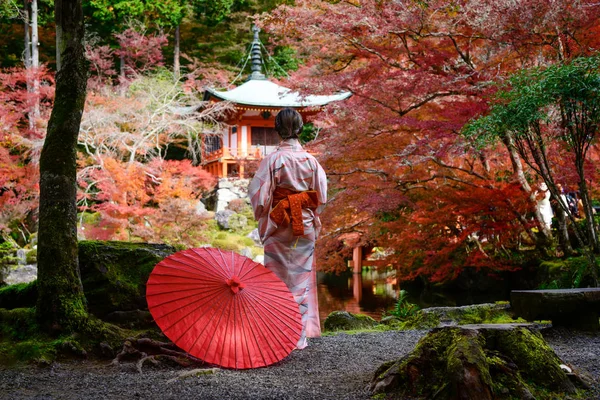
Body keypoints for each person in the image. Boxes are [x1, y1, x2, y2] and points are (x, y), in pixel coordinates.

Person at [248, 108, 327, 349]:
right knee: (300, 280)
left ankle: (277, 336)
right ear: (301, 129)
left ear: (277, 130)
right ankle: (298, 337)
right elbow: (320, 197)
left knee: (275, 280)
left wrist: (263, 214)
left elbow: (258, 197)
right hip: (303, 225)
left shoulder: (273, 160)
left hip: (279, 223)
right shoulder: (311, 161)